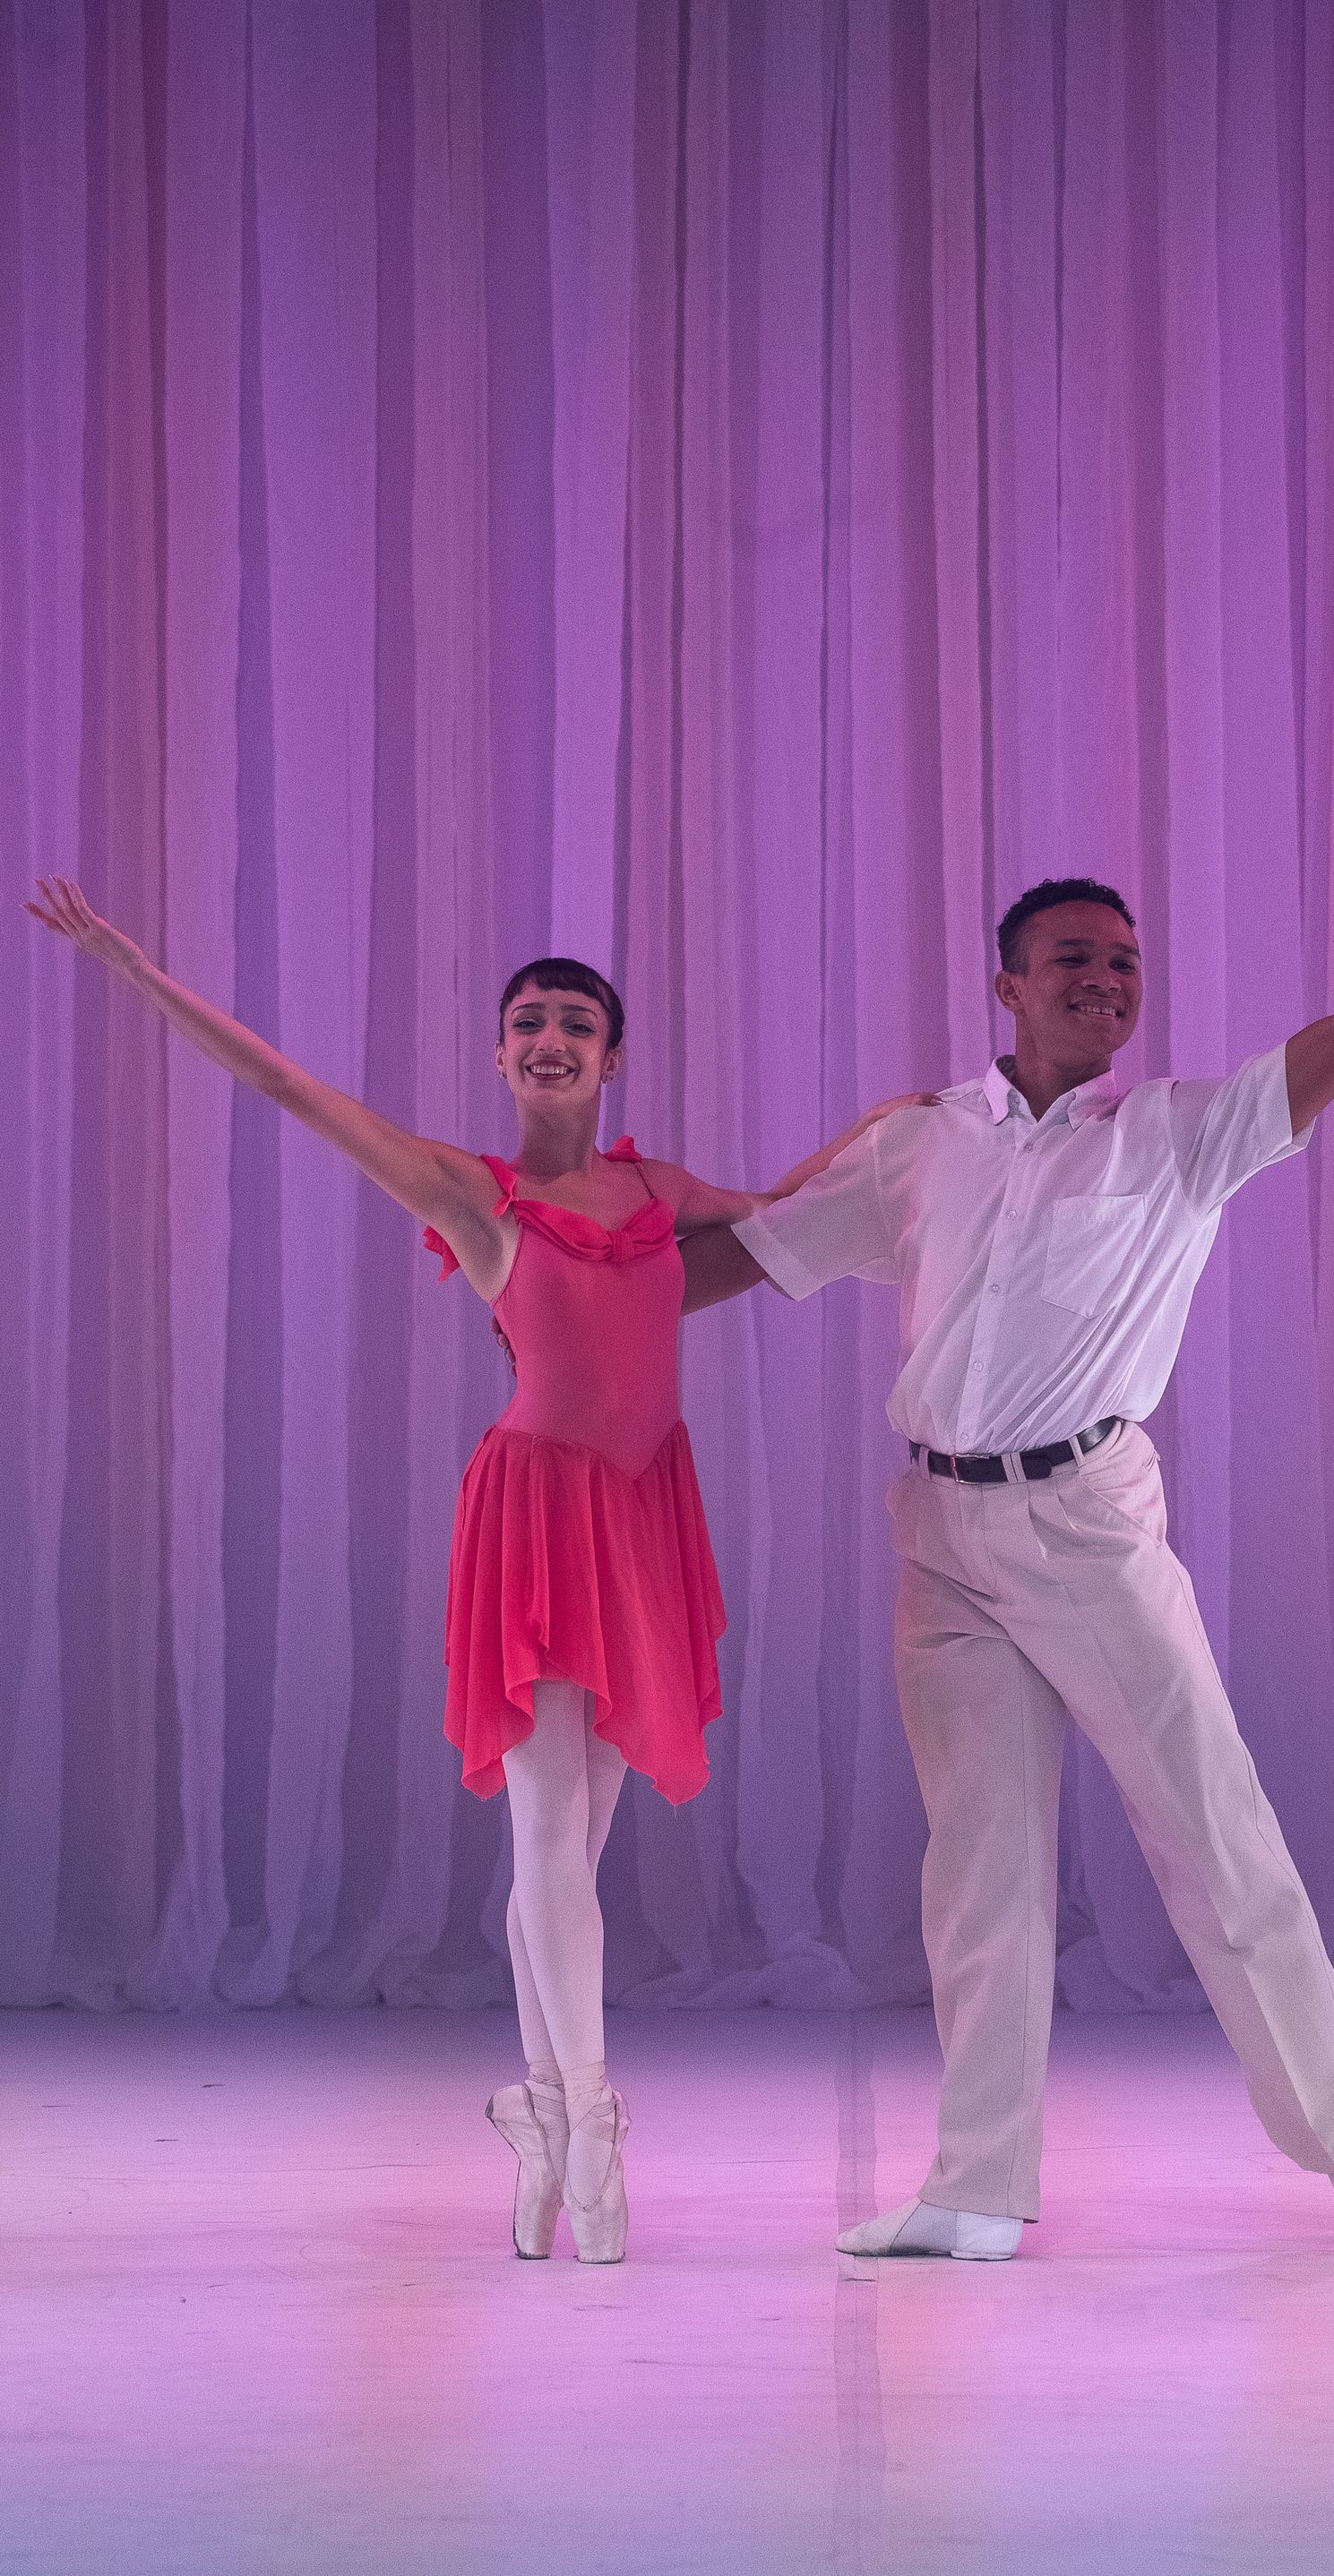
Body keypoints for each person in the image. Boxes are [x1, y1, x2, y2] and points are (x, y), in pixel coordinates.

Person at [681, 783, 1334, 2261]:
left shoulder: (1184, 1136)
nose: (1103, 980)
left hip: (1088, 1524)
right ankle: (976, 2188)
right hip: (940, 1537)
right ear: (1007, 986)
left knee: (1213, 1830)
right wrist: (536, 1273)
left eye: (1125, 962)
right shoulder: (924, 1140)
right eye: (1072, 957)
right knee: (979, 1868)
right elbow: (744, 1252)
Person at [24, 880, 917, 2263]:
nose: (550, 1037)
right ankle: (597, 2123)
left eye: (576, 1021)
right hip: (539, 1518)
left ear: (612, 1056)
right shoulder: (472, 1189)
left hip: (643, 1515)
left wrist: (908, 1120)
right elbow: (289, 1087)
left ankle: (540, 2112)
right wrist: (135, 968)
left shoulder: (659, 1189)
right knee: (550, 1834)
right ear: (500, 1058)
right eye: (527, 1023)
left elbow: (802, 1209)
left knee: (572, 1850)